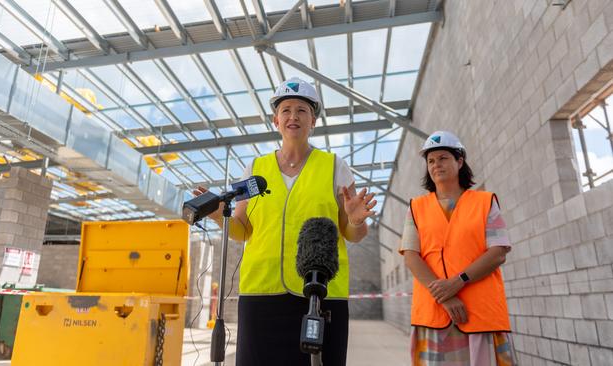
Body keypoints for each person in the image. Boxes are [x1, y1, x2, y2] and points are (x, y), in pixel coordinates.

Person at [193, 77, 376, 365]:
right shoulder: (255, 168)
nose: (293, 116)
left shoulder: (334, 166)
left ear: (313, 121)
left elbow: (354, 234)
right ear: (275, 120)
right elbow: (242, 231)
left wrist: (354, 220)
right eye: (286, 109)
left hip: (321, 294)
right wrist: (219, 215)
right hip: (261, 295)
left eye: (302, 110)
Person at [399, 131, 514, 366]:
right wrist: (444, 296)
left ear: (459, 161)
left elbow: (498, 252)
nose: (436, 165)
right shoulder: (416, 208)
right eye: (431, 161)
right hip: (433, 314)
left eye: (443, 158)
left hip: (481, 315)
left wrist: (457, 282)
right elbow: (411, 257)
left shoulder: (485, 202)